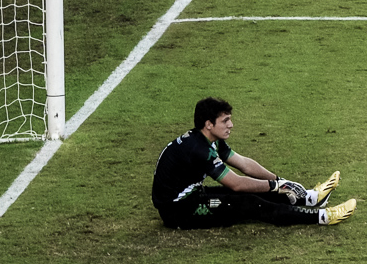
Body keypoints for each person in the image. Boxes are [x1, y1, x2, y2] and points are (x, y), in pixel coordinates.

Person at [152, 97, 355, 229]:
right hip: (178, 212)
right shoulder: (199, 150)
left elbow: (244, 164)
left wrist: (279, 180)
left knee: (254, 193)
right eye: (225, 121)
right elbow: (236, 183)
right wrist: (275, 187)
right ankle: (324, 217)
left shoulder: (208, 139)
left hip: (192, 196)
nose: (231, 125)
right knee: (249, 202)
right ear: (208, 124)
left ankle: (311, 198)